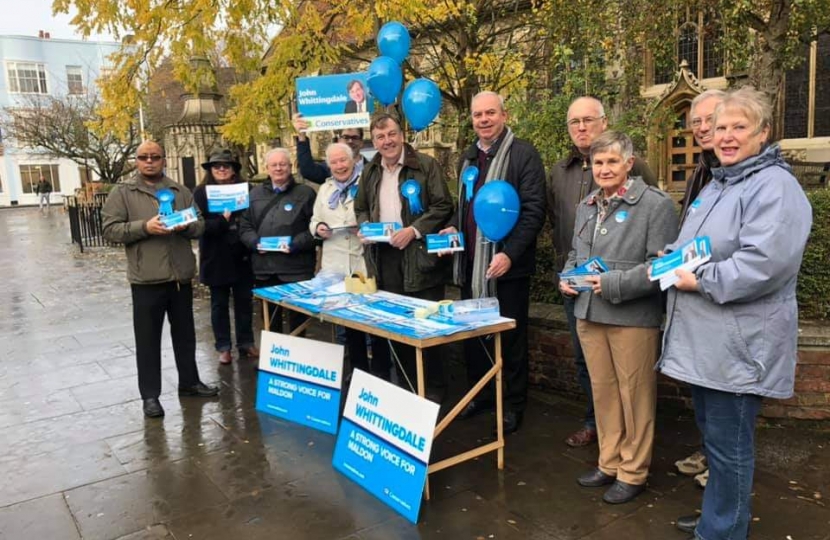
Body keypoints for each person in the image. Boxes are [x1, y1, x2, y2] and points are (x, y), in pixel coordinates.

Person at [658, 87, 812, 540]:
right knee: (716, 441)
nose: (726, 136)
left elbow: (764, 264)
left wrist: (699, 280)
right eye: (720, 127)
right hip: (710, 344)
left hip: (740, 346)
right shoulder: (720, 183)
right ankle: (718, 515)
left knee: (730, 448)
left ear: (763, 133)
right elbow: (697, 246)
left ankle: (724, 529)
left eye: (738, 127)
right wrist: (672, 258)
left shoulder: (775, 186)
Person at [562, 131, 678, 505]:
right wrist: (566, 278)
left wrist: (612, 283)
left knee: (635, 397)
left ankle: (633, 471)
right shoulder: (587, 205)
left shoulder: (655, 205)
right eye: (598, 162)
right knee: (604, 394)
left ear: (629, 163)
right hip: (589, 313)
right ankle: (608, 462)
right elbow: (575, 253)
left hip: (632, 318)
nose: (604, 168)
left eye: (612, 161)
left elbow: (661, 267)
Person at [547, 96, 658, 448]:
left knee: (627, 377)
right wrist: (566, 273)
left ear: (604, 122)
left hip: (623, 294)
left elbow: (653, 228)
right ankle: (597, 426)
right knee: (588, 364)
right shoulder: (559, 171)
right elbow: (558, 223)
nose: (581, 127)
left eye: (588, 120)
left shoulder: (638, 171)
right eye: (574, 122)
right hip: (577, 286)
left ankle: (628, 443)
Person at [442, 91, 546, 435]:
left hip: (508, 268)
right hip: (471, 265)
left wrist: (509, 253)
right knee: (475, 335)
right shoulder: (468, 158)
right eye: (477, 115)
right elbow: (466, 207)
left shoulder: (524, 155)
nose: (483, 120)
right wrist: (454, 230)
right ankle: (481, 394)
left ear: (504, 114)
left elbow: (533, 212)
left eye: (490, 113)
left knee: (511, 340)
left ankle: (514, 404)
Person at [102, 141, 219, 419]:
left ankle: (189, 382)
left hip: (180, 278)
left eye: (155, 157)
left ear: (163, 159)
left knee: (185, 337)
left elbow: (200, 224)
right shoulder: (123, 192)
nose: (150, 161)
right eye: (144, 157)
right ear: (136, 160)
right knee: (147, 340)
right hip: (146, 280)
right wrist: (145, 227)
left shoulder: (180, 190)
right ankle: (150, 396)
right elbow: (109, 229)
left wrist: (186, 225)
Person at [354, 113, 453, 399]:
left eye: (392, 134)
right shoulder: (370, 170)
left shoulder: (425, 165)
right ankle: (409, 392)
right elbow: (360, 207)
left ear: (402, 134)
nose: (387, 141)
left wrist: (414, 230)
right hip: (383, 261)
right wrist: (365, 226)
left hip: (420, 259)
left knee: (428, 330)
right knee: (397, 330)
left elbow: (443, 205)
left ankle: (436, 396)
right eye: (380, 137)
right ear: (374, 142)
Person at [673, 89, 726, 490]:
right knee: (704, 392)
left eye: (712, 120)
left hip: (723, 297)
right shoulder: (702, 171)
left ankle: (722, 469)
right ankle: (709, 451)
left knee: (724, 395)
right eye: (697, 122)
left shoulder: (738, 172)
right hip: (694, 293)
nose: (704, 128)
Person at [192, 149, 259, 366]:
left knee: (244, 302)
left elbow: (253, 218)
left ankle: (246, 342)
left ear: (234, 170)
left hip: (241, 256)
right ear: (210, 170)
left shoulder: (246, 190)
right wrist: (222, 221)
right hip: (215, 257)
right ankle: (223, 347)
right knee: (219, 305)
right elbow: (199, 226)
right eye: (217, 166)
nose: (221, 169)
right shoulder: (201, 193)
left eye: (226, 165)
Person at [239, 148, 316, 334]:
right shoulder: (254, 195)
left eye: (283, 164)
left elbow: (315, 229)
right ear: (266, 168)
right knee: (269, 323)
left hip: (296, 270)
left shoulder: (306, 193)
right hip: (265, 270)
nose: (279, 168)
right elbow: (244, 227)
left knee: (298, 323)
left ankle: (298, 358)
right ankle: (274, 360)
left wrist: (295, 244)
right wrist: (255, 243)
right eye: (274, 165)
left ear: (291, 167)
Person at [310, 142, 370, 378]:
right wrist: (319, 228)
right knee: (344, 321)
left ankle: (371, 371)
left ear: (353, 160)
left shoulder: (365, 183)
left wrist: (366, 228)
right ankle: (355, 369)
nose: (339, 166)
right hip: (334, 265)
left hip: (360, 264)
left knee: (365, 318)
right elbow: (314, 220)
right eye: (333, 162)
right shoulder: (325, 190)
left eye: (342, 160)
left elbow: (374, 214)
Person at [291, 115, 367, 184]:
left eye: (355, 138)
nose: (350, 141)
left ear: (361, 142)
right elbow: (307, 170)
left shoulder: (373, 169)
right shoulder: (329, 168)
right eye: (346, 137)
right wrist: (301, 136)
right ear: (338, 140)